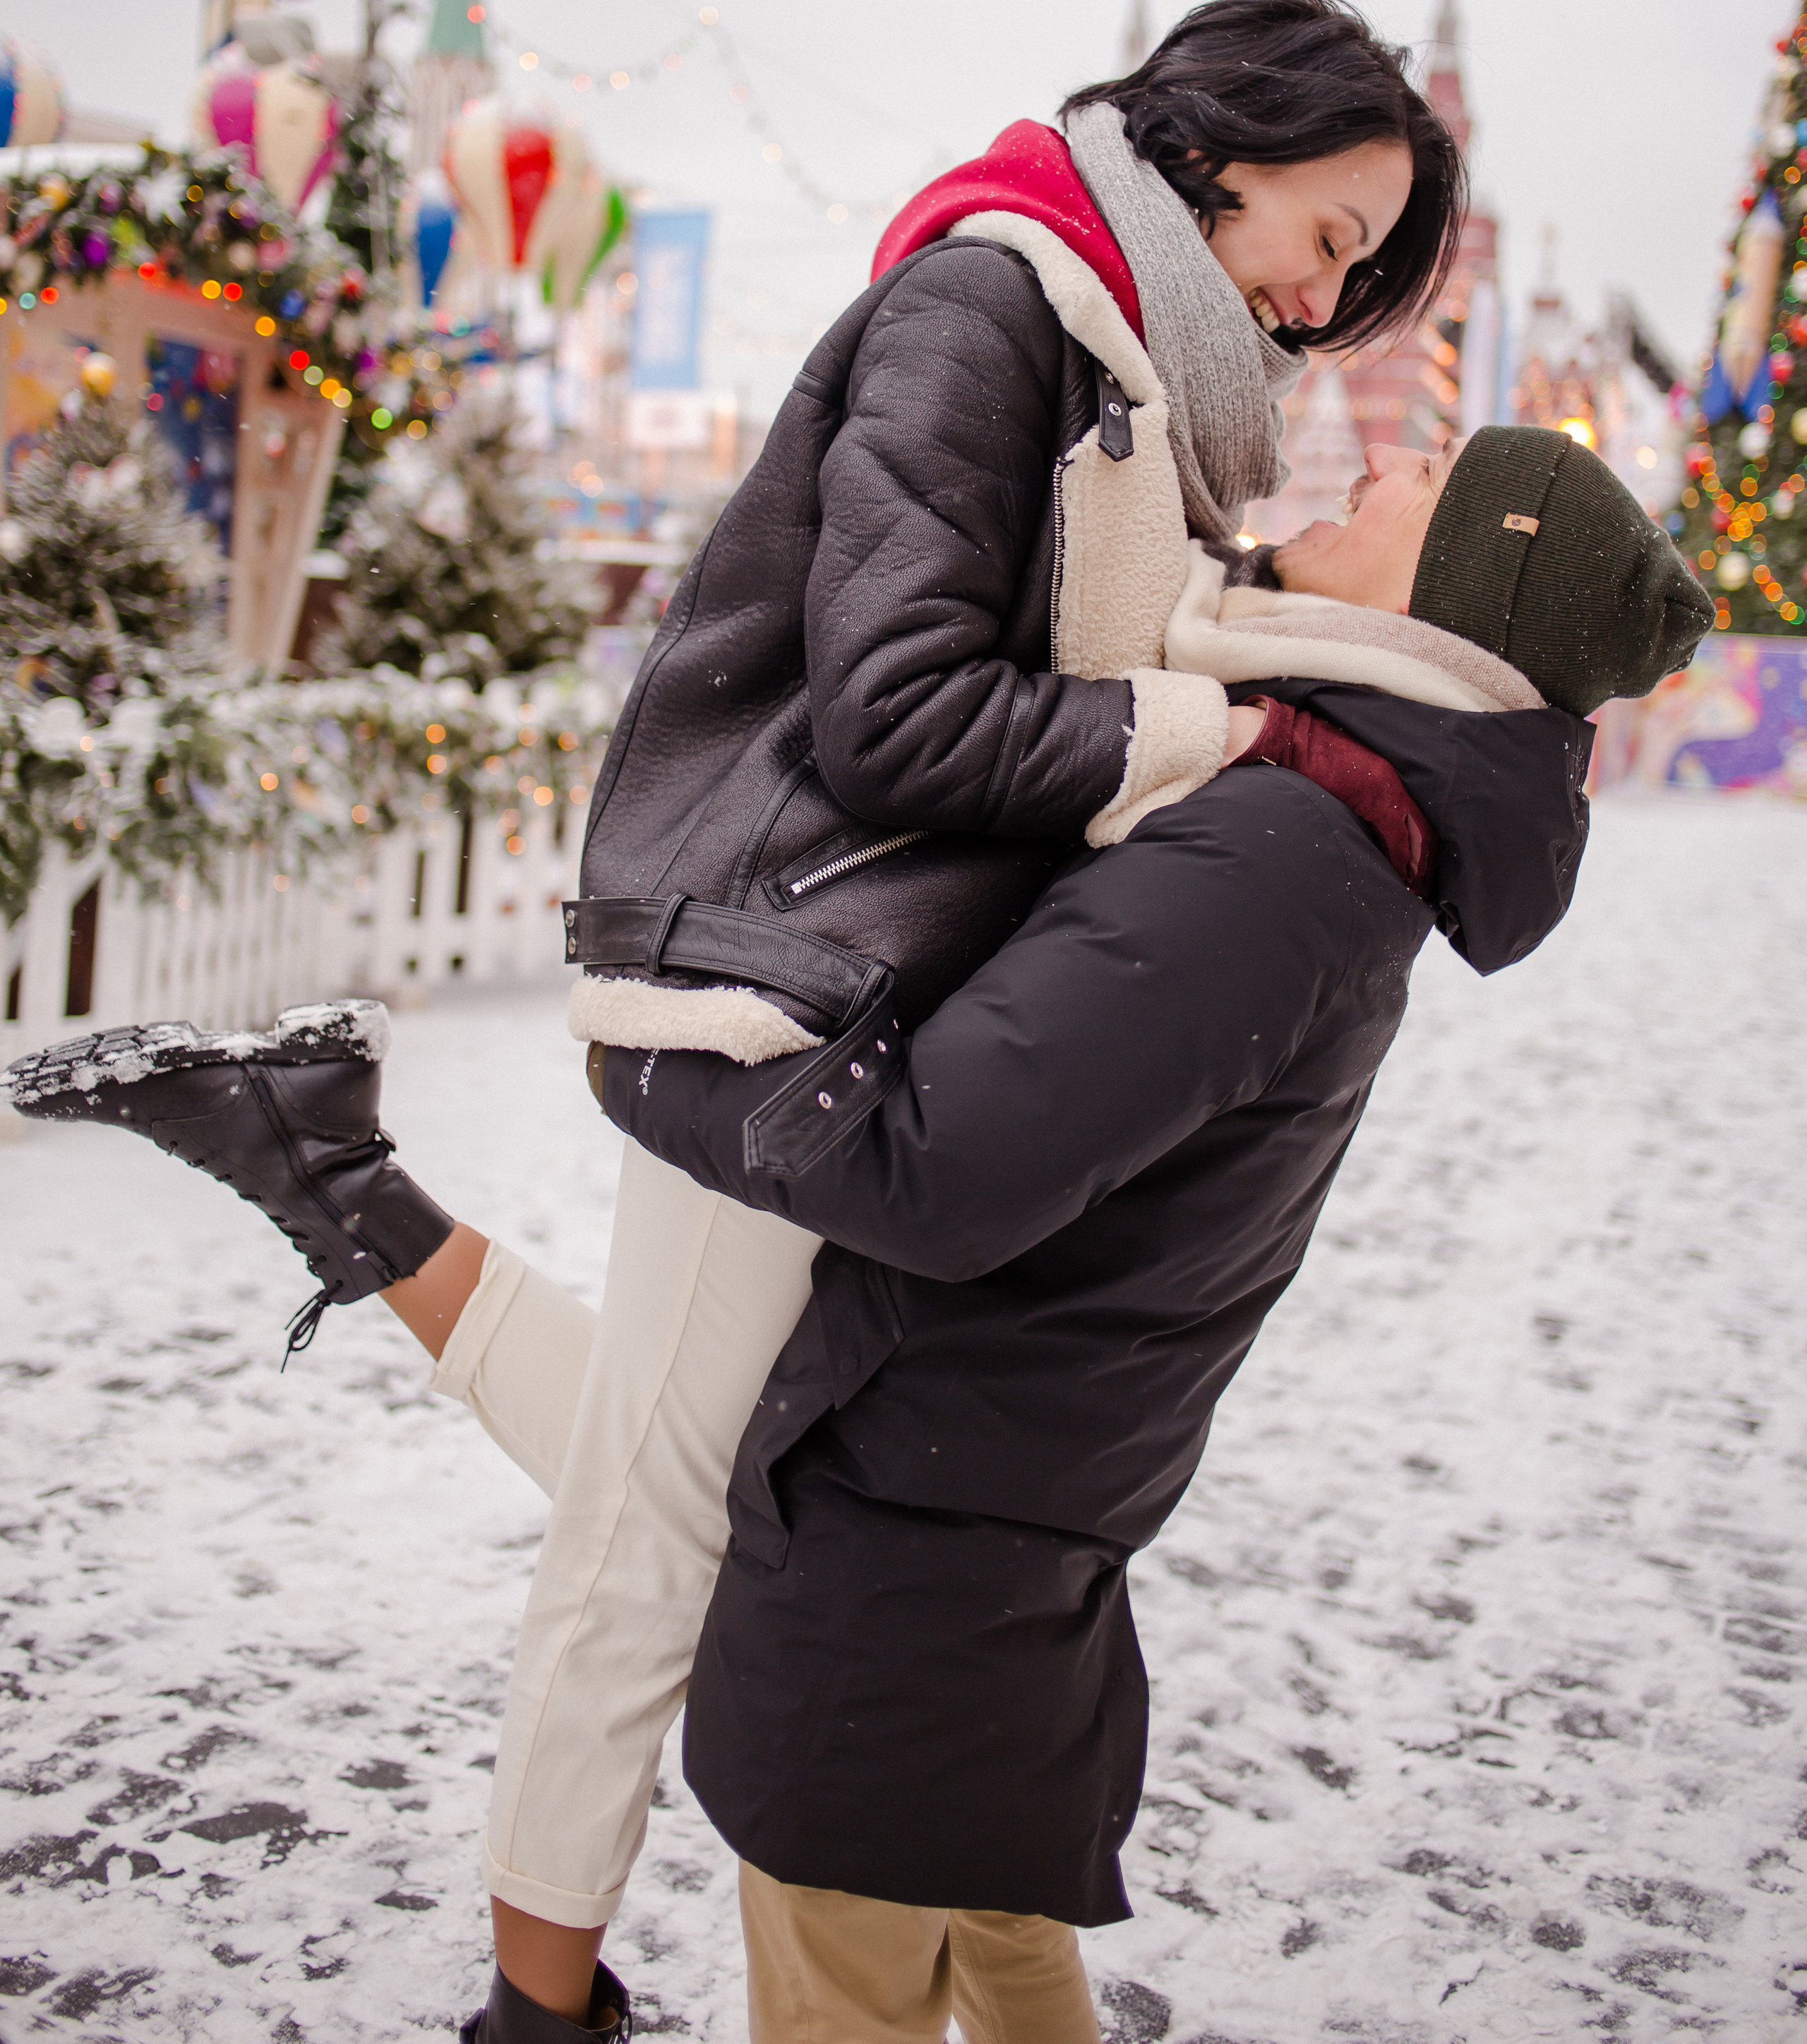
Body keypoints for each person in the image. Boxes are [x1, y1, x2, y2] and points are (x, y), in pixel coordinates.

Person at [7, 427, 1711, 2040]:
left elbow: (934, 1167)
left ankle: (328, 1174)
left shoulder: (1278, 843)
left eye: (1422, 478)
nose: (1374, 465)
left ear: (1460, 594)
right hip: (990, 1517)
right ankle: (330, 1170)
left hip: (910, 1564)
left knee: (660, 1509)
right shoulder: (1321, 816)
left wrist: (647, 1062)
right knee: (944, 1870)